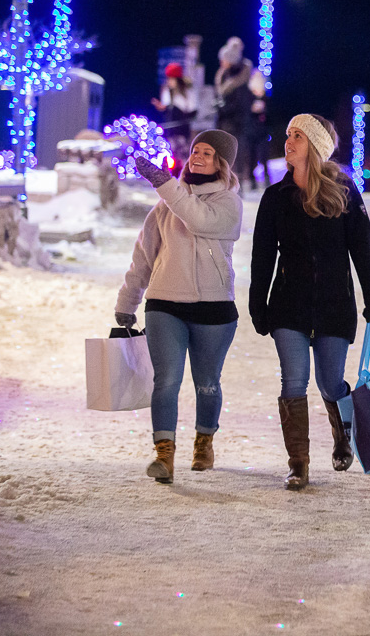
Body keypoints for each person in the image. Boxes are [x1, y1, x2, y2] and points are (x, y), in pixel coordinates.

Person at [249, 114, 370, 491]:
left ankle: (342, 434)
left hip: (333, 306)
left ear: (317, 147)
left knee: (329, 382)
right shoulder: (275, 197)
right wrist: (258, 304)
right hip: (288, 306)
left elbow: (362, 249)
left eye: (298, 137)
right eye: (288, 134)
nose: (289, 142)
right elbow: (262, 256)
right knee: (293, 380)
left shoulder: (343, 191)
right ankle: (298, 464)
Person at [115, 131, 243, 484]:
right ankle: (164, 455)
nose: (197, 157)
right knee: (166, 381)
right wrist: (127, 302)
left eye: (207, 153)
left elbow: (198, 219)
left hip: (214, 309)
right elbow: (143, 258)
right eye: (194, 151)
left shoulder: (229, 203)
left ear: (221, 163)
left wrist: (164, 183)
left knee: (207, 384)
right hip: (164, 305)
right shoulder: (164, 205)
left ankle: (204, 441)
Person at [214, 37, 255, 185]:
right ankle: (227, 182)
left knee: (235, 153)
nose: (221, 62)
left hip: (236, 123)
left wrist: (223, 108)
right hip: (226, 121)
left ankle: (236, 184)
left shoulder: (239, 80)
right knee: (226, 154)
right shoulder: (225, 75)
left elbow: (239, 104)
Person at [150, 62, 197, 173]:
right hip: (171, 132)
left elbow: (193, 111)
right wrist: (162, 107)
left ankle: (184, 178)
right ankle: (174, 178)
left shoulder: (187, 93)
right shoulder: (167, 92)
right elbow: (167, 111)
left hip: (182, 131)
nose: (168, 81)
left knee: (183, 155)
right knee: (172, 156)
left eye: (171, 79)